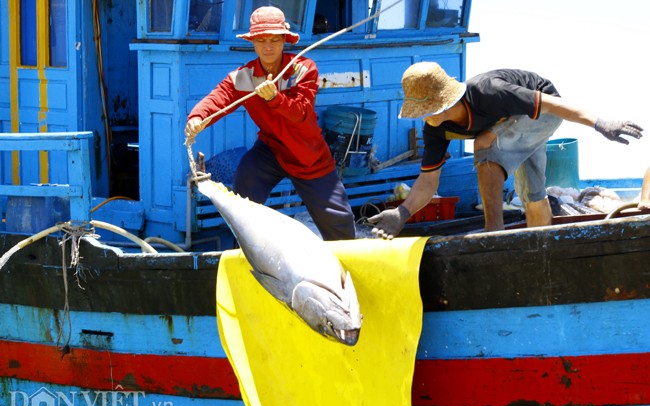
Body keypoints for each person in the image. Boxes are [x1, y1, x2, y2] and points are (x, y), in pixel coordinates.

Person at [369, 62, 644, 238]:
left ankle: (493, 237)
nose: (422, 116)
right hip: (509, 126)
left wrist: (600, 123)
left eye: (426, 110)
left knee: (485, 144)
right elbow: (429, 180)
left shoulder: (488, 92)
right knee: (531, 192)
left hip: (543, 111)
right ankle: (542, 242)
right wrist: (402, 213)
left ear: (443, 103)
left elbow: (553, 104)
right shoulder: (435, 129)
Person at [184, 6, 355, 241]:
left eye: (274, 39)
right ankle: (245, 250)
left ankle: (350, 260)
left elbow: (301, 112)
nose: (268, 46)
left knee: (340, 224)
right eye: (261, 40)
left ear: (285, 39)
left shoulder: (303, 68)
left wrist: (275, 99)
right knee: (245, 179)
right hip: (271, 149)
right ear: (252, 42)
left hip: (309, 155)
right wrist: (197, 117)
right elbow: (219, 98)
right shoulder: (243, 76)